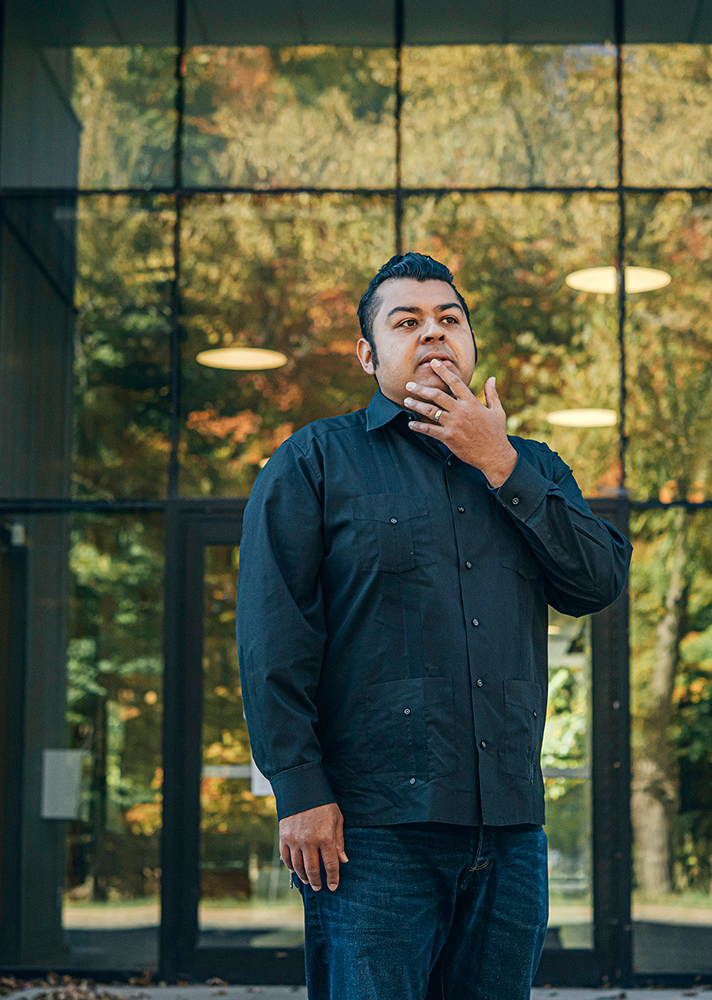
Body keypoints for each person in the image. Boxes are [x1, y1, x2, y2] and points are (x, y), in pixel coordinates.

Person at [236, 252, 632, 999]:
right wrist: (298, 788)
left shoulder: (532, 464)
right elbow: (272, 640)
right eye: (406, 321)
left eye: (449, 319)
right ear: (367, 352)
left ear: (471, 343)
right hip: (370, 832)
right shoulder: (314, 462)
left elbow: (597, 581)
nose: (433, 334)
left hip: (510, 829)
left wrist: (499, 462)